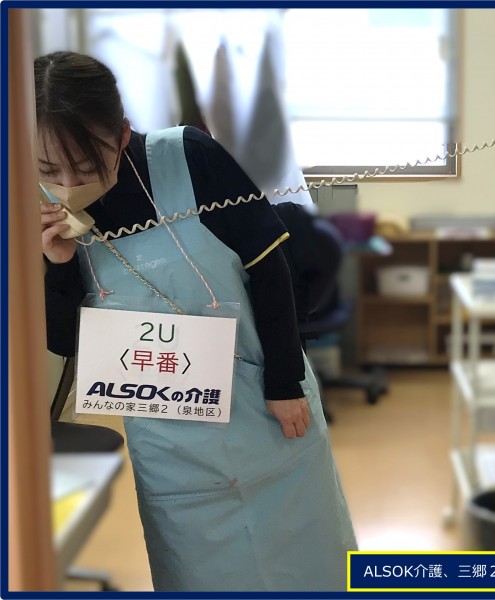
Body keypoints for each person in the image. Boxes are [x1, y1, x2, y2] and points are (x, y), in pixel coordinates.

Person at [37, 51, 356, 592]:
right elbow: (65, 341)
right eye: (49, 170)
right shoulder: (40, 210)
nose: (69, 183)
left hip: (265, 407)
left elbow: (270, 269)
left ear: (121, 135)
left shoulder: (188, 156)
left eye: (88, 167)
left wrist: (284, 383)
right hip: (170, 445)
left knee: (308, 563)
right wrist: (60, 265)